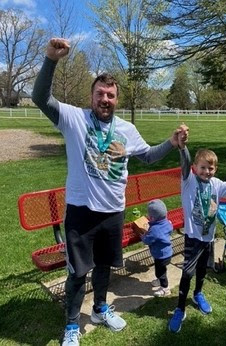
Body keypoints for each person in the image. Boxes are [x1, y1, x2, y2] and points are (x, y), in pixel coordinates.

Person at [32, 37, 189, 346]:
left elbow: (146, 156)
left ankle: (101, 308)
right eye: (100, 94)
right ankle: (72, 326)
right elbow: (40, 97)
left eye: (111, 95)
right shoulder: (74, 119)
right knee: (78, 273)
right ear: (91, 96)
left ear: (117, 99)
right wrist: (51, 59)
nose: (105, 99)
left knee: (104, 266)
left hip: (113, 212)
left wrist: (171, 144)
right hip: (81, 212)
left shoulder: (127, 130)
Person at [168, 130, 226, 333]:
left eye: (210, 168)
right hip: (193, 237)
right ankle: (180, 308)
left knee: (203, 269)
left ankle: (198, 294)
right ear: (195, 168)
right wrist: (183, 147)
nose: (207, 172)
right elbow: (184, 164)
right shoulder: (189, 180)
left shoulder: (217, 184)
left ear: (215, 169)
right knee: (187, 272)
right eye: (202, 168)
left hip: (208, 237)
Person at [140, 199, 173, 297]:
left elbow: (147, 240)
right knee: (161, 270)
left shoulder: (155, 229)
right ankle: (159, 280)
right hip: (167, 252)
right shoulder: (167, 223)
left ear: (152, 218)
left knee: (161, 272)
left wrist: (142, 236)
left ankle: (165, 288)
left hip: (160, 255)